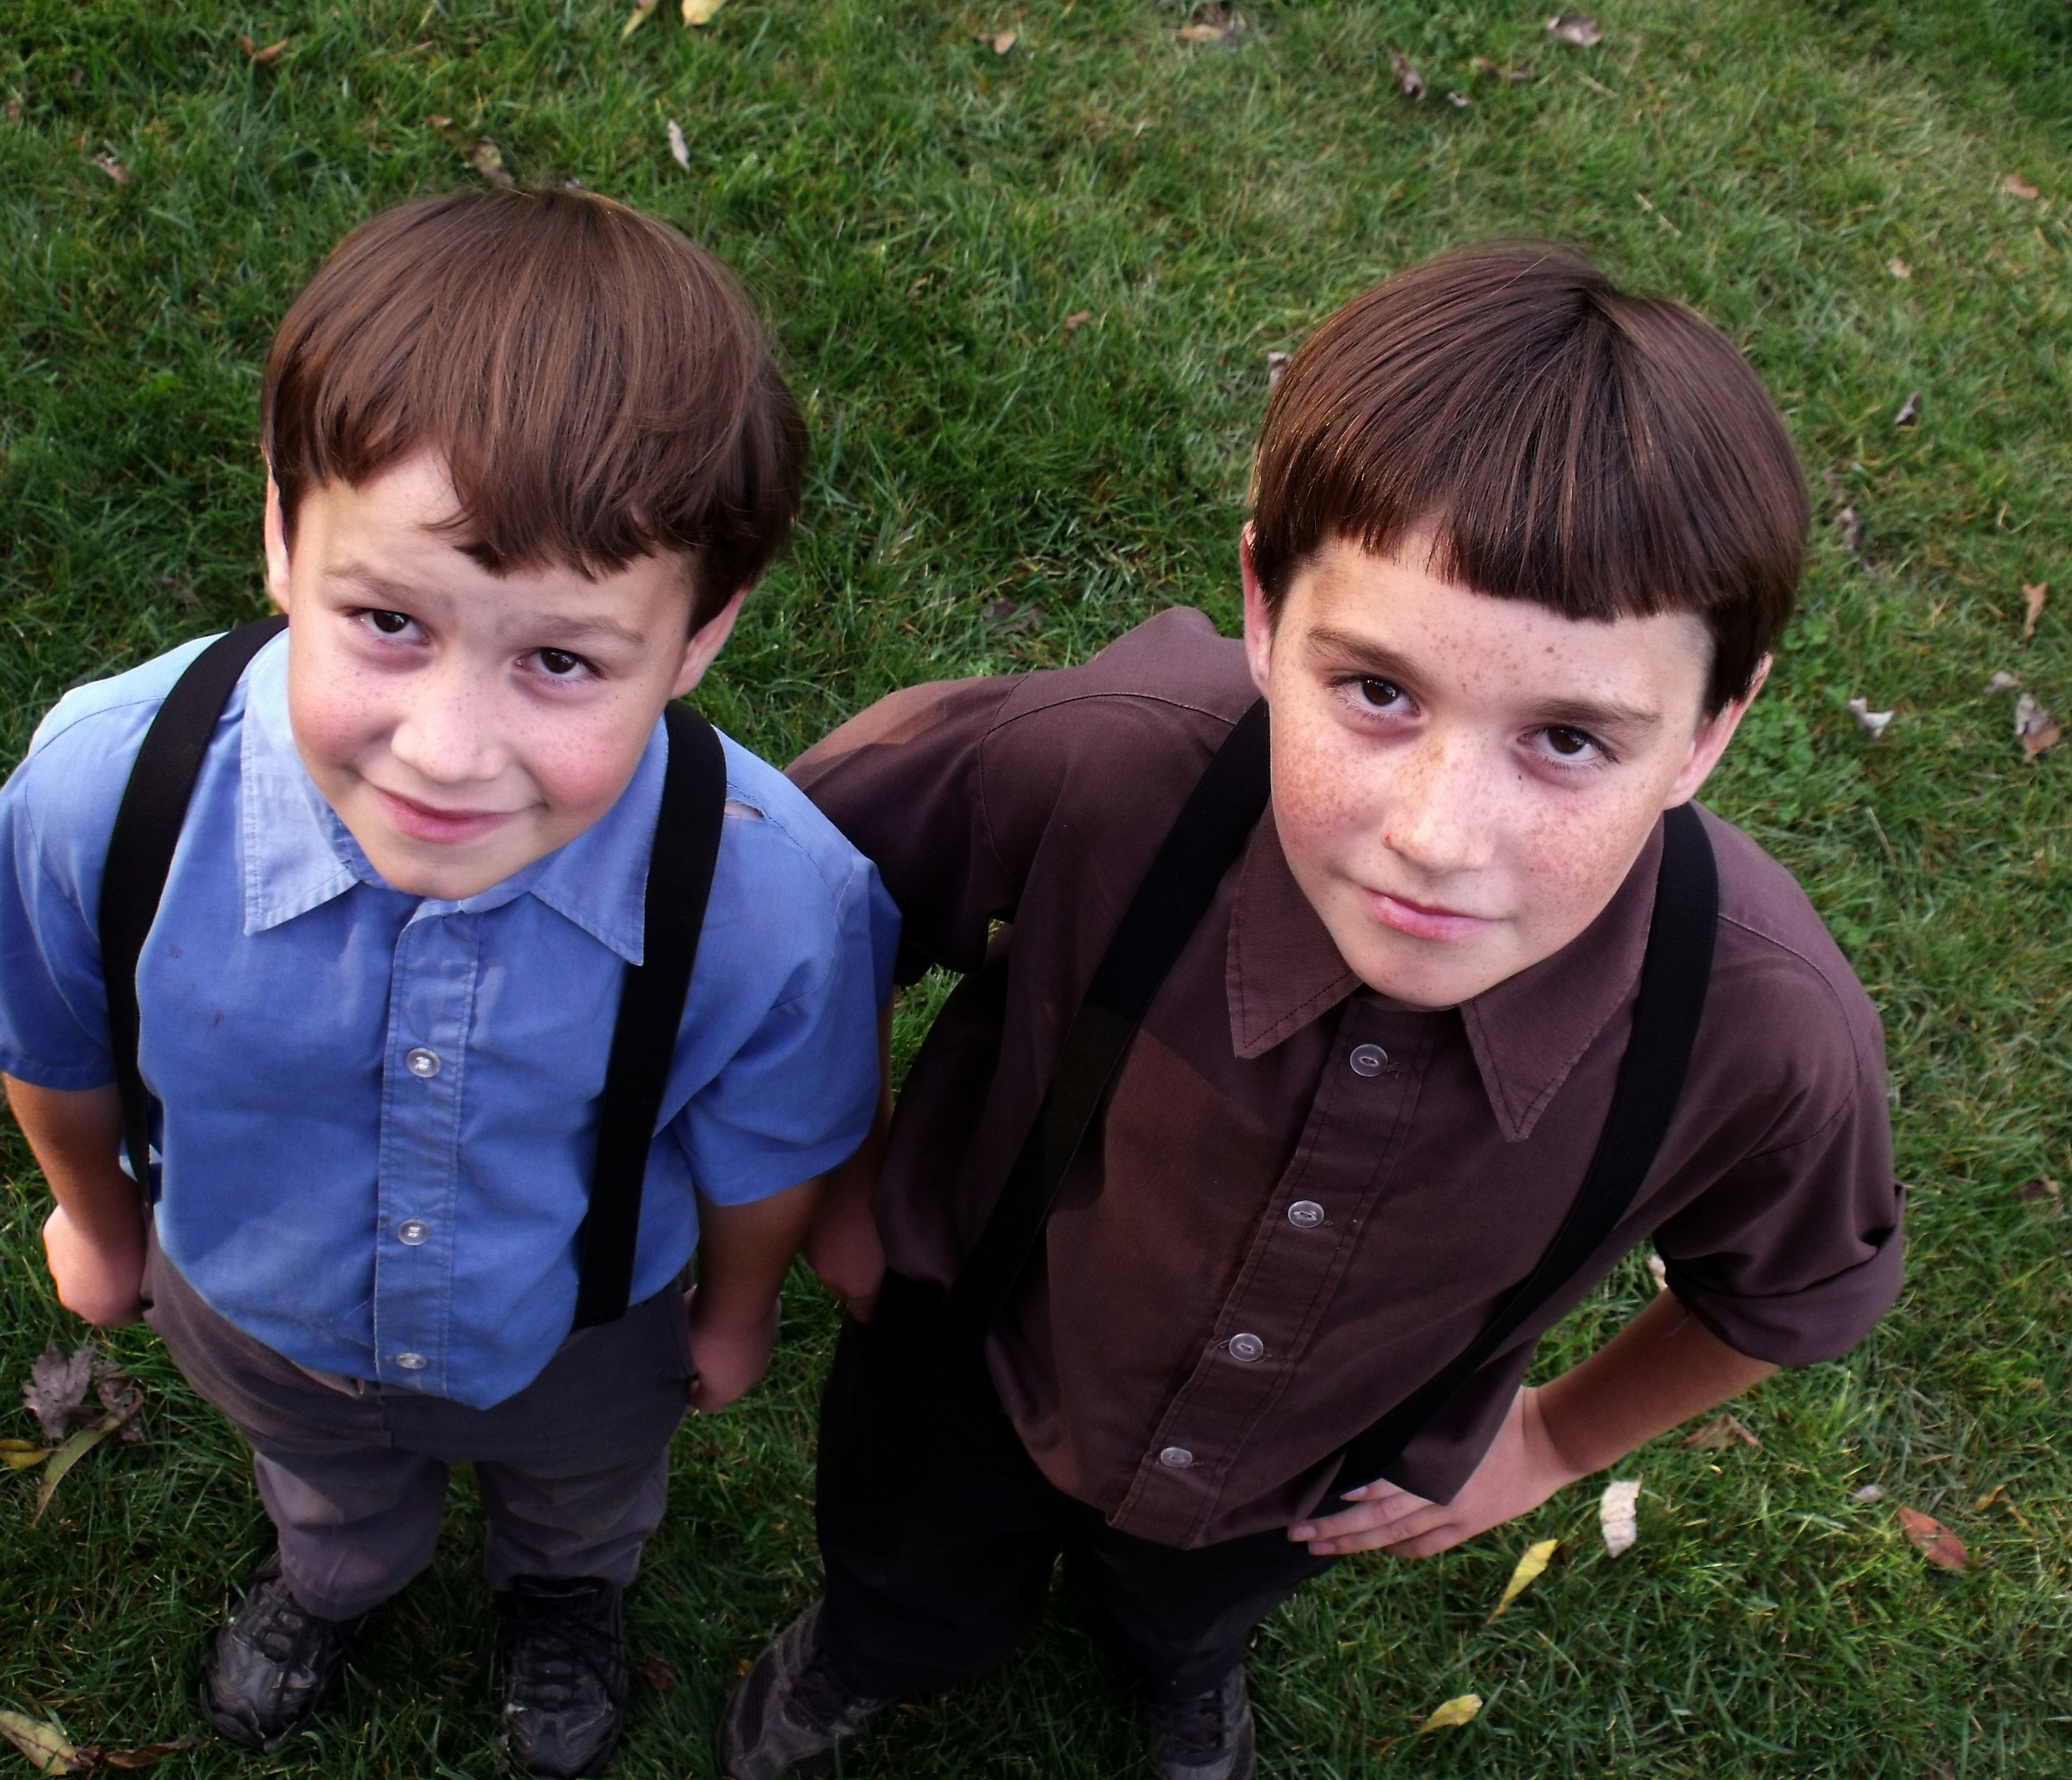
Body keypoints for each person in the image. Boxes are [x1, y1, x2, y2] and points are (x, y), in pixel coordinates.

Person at [719, 244, 1904, 1780]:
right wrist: (845, 1170)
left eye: (1563, 739)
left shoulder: (1765, 1031)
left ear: (1706, 731)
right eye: (1376, 692)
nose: (1434, 831)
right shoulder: (1096, 765)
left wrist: (1547, 1442)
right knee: (910, 1574)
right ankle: (870, 1653)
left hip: (1306, 1479)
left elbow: (1786, 1296)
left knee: (1187, 1615)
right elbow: (790, 896)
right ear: (1264, 614)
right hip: (972, 1362)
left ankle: (1178, 1668)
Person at [0, 189, 895, 1776]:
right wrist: (96, 1222)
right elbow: (54, 1039)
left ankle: (561, 1595)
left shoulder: (772, 899)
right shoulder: (106, 794)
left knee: (582, 1495)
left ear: (699, 635)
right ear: (285, 533)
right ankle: (336, 1576)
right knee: (320, 1477)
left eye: (559, 661)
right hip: (253, 1304)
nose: (444, 747)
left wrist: (739, 1307)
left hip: (579, 1336)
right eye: (384, 623)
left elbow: (767, 1151)